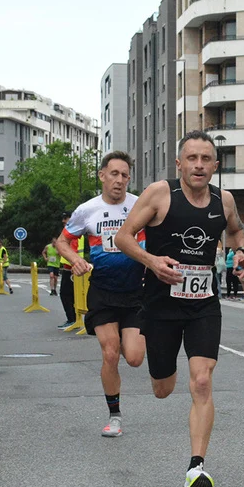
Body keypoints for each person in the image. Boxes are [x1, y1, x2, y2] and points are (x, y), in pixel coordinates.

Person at [115, 129, 244, 487]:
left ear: (215, 166)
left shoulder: (224, 200)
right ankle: (155, 363)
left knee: (202, 381)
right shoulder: (160, 194)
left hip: (203, 304)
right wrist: (152, 261)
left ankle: (196, 468)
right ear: (179, 164)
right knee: (163, 388)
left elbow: (236, 233)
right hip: (160, 305)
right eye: (192, 158)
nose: (199, 165)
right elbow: (123, 237)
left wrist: (241, 253)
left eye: (206, 159)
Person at [56, 151, 144, 438]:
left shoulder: (140, 205)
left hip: (135, 292)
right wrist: (75, 260)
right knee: (110, 352)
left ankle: (129, 339)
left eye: (125, 175)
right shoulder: (87, 210)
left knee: (134, 358)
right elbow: (62, 242)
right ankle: (114, 416)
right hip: (103, 291)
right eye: (114, 174)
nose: (120, 180)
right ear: (102, 175)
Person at [58, 212, 81, 328]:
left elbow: (72, 251)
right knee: (72, 295)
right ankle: (74, 319)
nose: (63, 221)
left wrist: (73, 265)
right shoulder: (76, 231)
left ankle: (72, 319)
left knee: (66, 295)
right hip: (73, 268)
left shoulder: (73, 233)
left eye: (66, 218)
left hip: (71, 269)